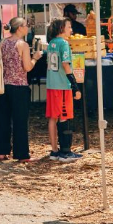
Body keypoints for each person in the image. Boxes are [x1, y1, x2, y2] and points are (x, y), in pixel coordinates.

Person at [0, 18, 43, 163]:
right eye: (26, 25)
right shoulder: (22, 44)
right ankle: (22, 153)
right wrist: (35, 58)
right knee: (20, 121)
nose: (28, 27)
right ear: (19, 28)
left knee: (3, 119)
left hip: (3, 85)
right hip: (19, 86)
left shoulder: (2, 42)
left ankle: (2, 151)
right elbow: (27, 67)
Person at [46, 17, 83, 162]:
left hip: (51, 84)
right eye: (69, 27)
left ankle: (55, 150)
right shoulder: (64, 43)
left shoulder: (51, 43)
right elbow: (66, 64)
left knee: (52, 118)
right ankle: (65, 152)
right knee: (64, 116)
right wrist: (74, 85)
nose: (71, 30)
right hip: (62, 85)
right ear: (61, 28)